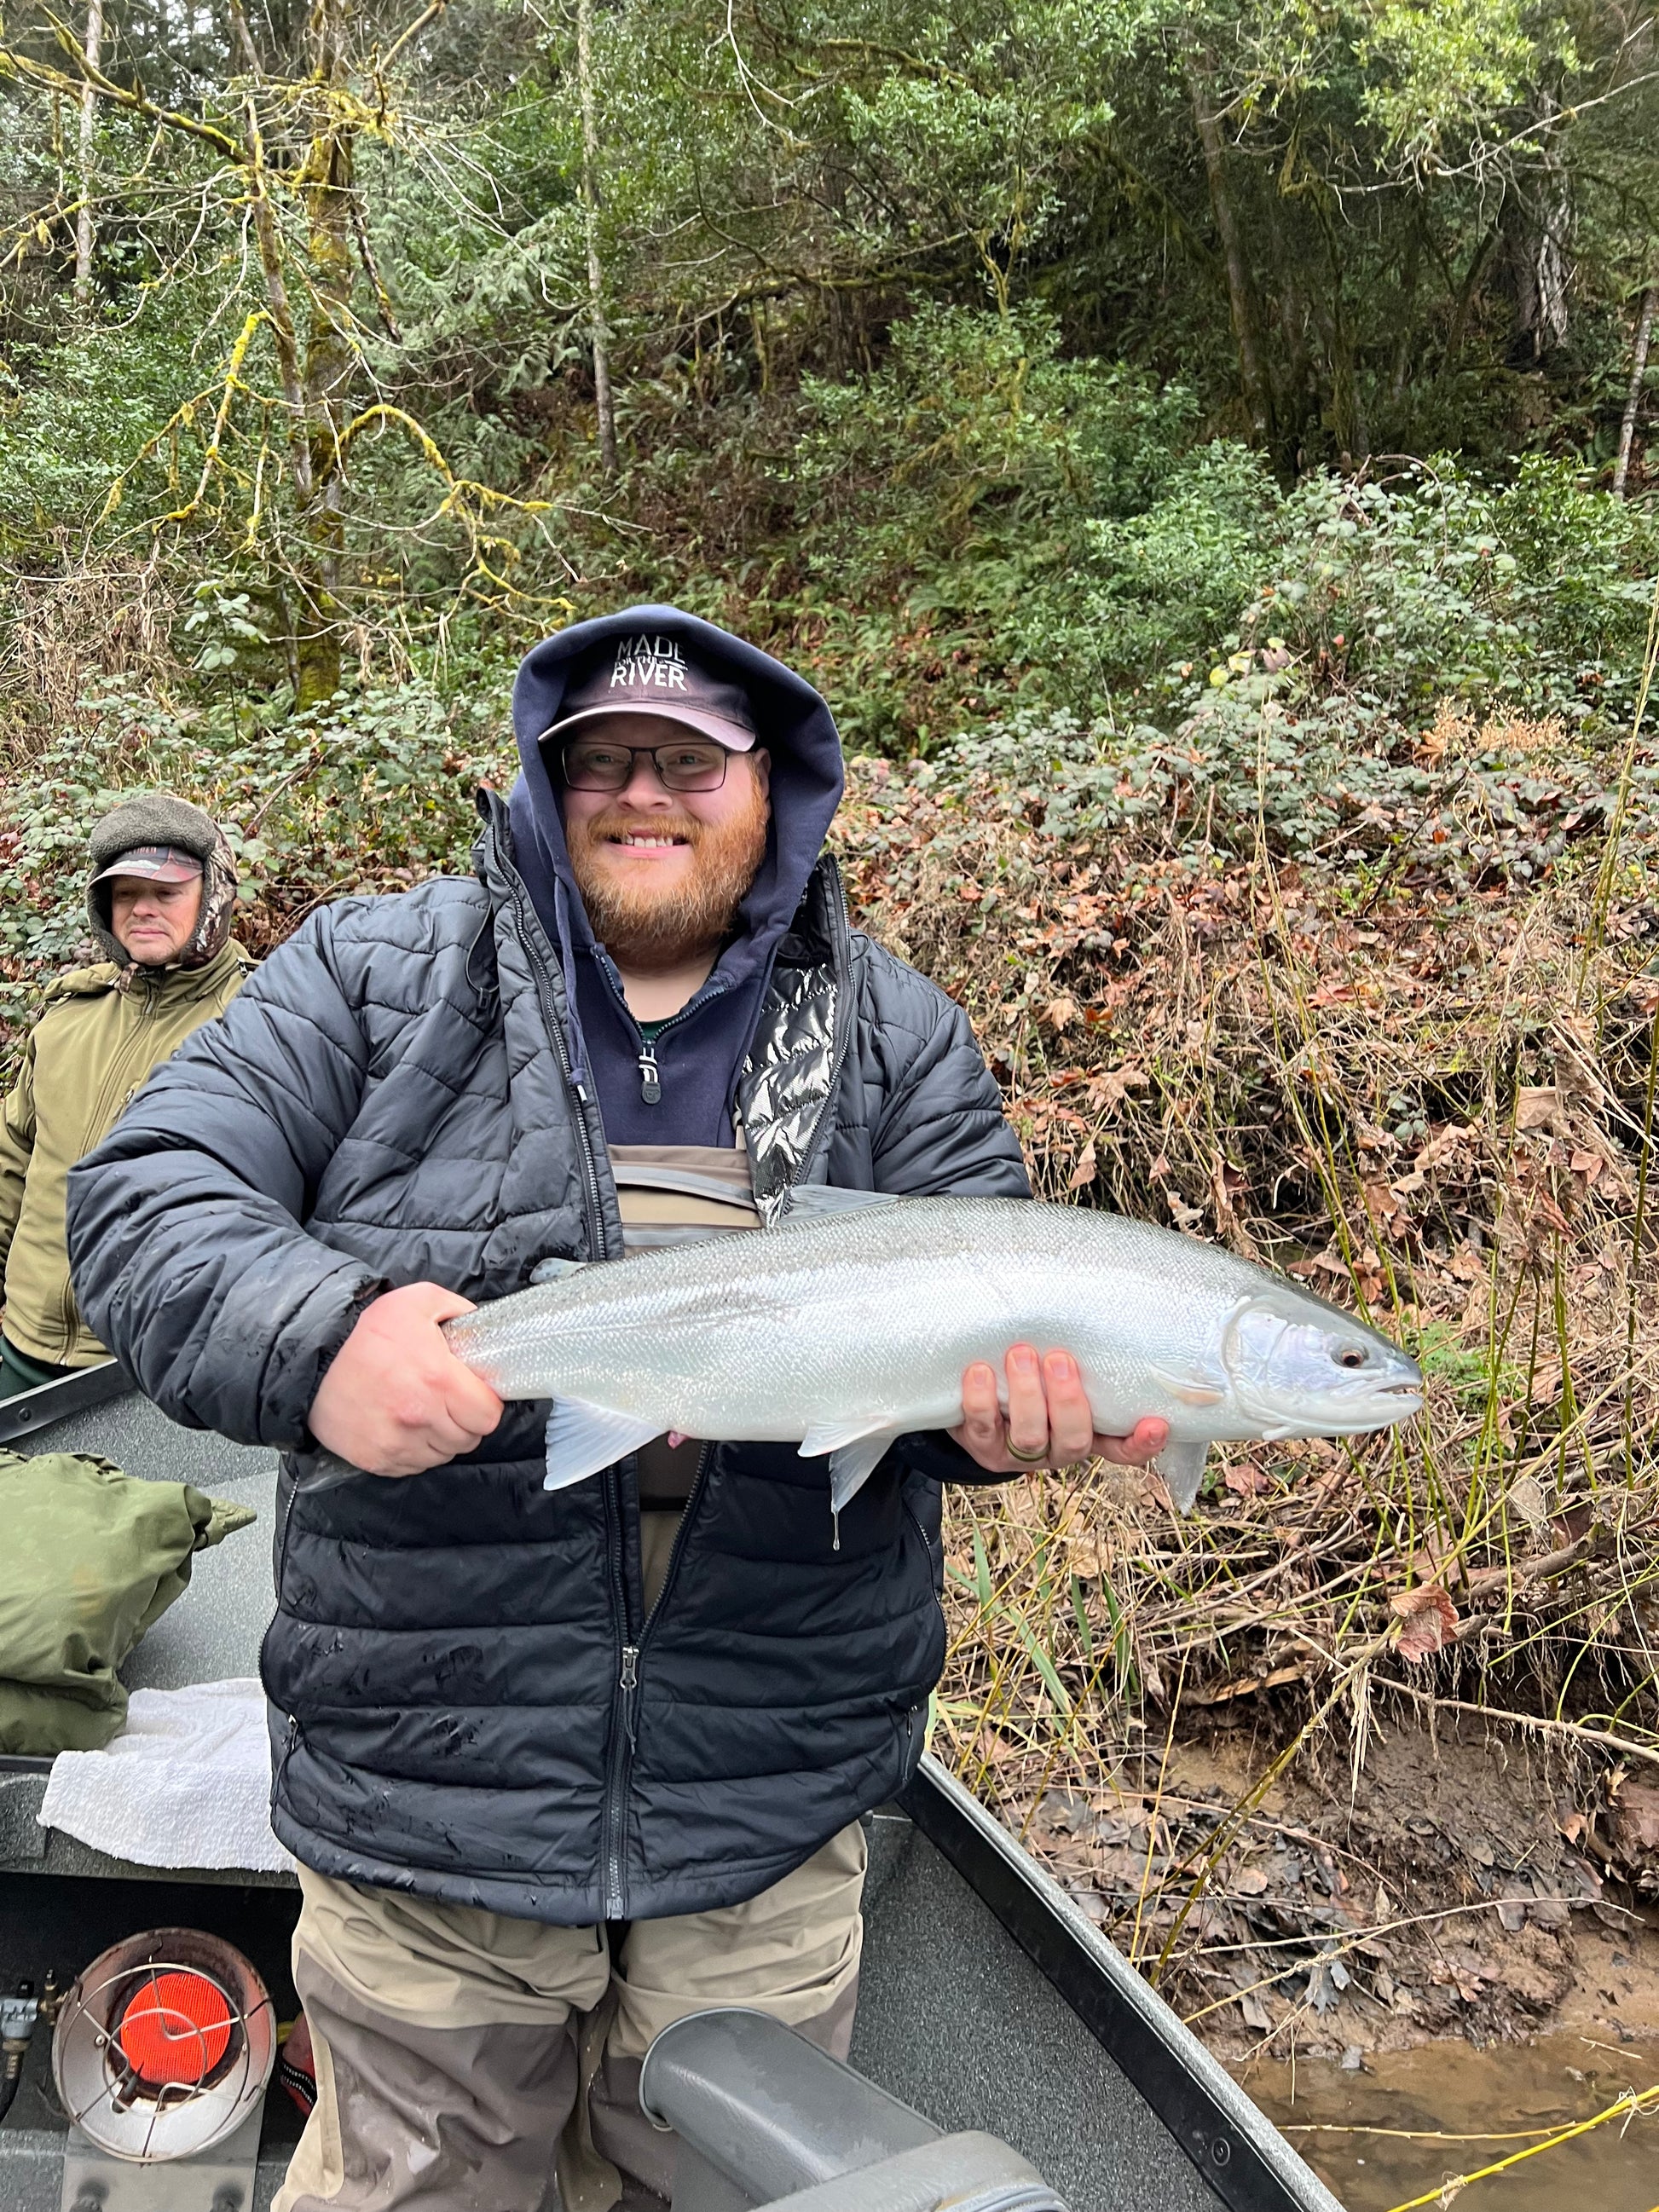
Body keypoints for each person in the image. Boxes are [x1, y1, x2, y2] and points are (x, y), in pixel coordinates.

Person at [66, 609, 1168, 2212]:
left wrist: (985, 1426)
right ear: (545, 780)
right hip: (430, 1779)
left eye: (690, 761)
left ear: (774, 788)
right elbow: (145, 1196)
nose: (642, 791)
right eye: (601, 758)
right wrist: (321, 1338)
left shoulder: (893, 1033)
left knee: (709, 2185)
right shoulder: (372, 977)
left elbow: (948, 1357)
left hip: (766, 1797)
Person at [0, 794, 248, 1399]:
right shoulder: (67, 1019)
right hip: (20, 1349)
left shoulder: (257, 1025)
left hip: (150, 1375)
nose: (142, 909)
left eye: (166, 892)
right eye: (126, 893)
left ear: (213, 896)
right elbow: (10, 1166)